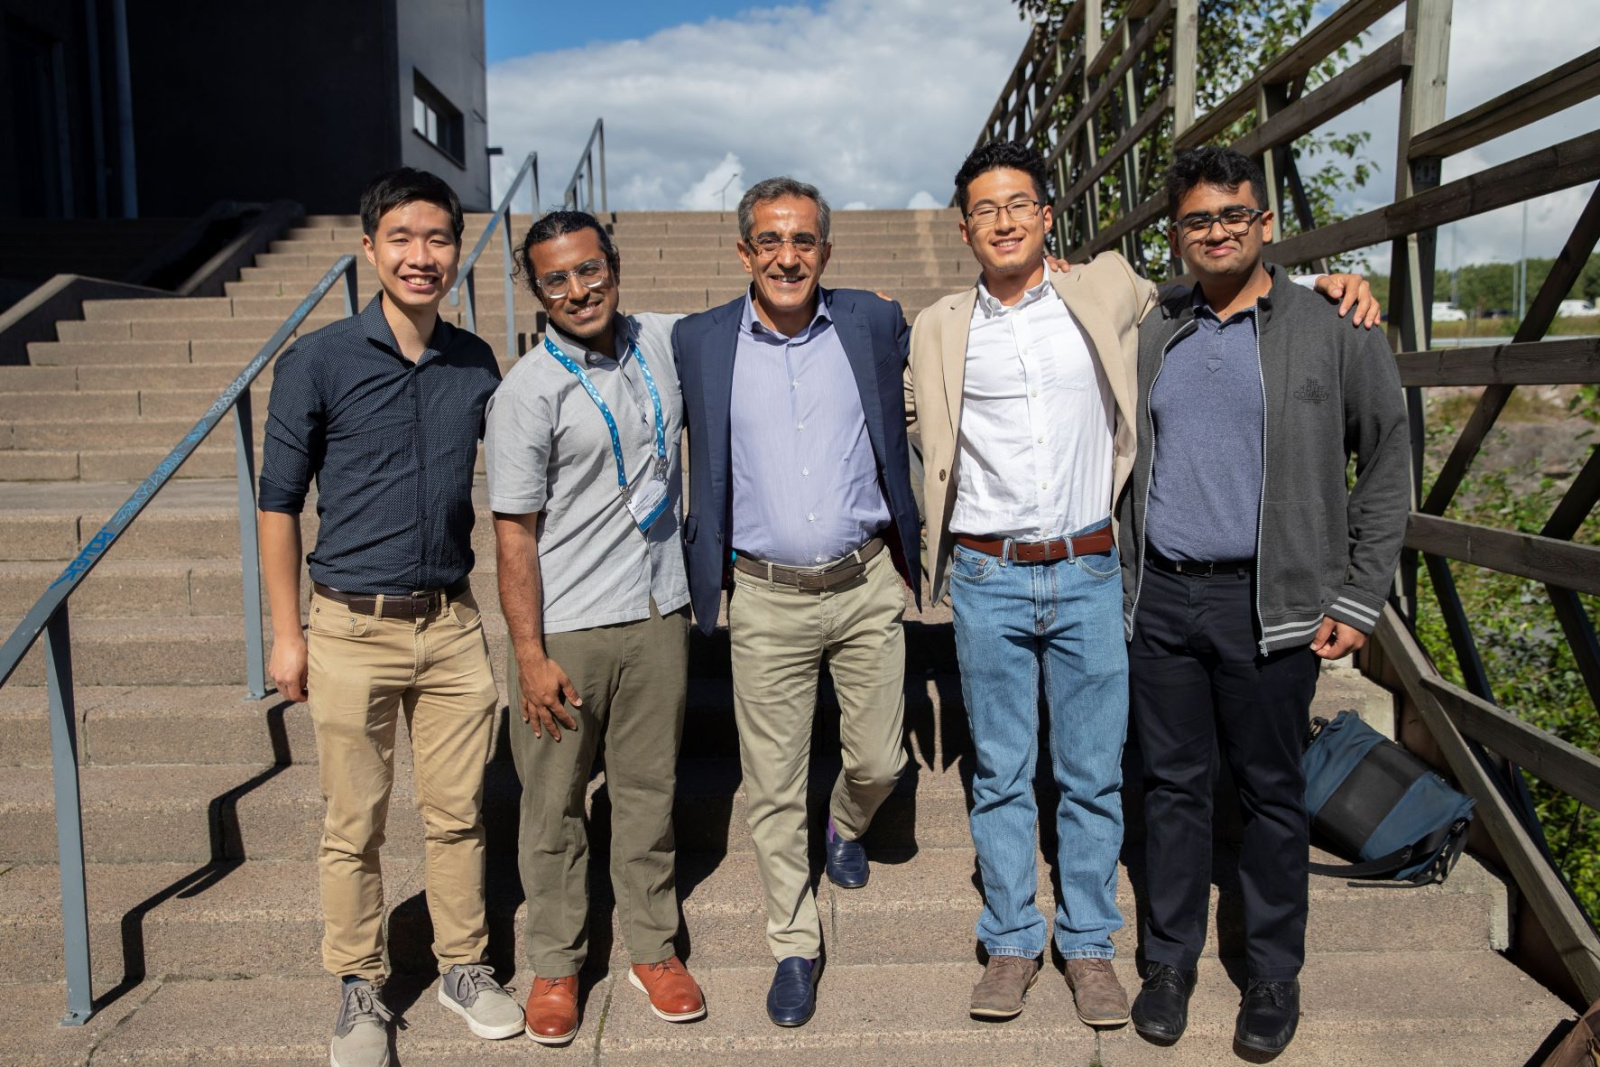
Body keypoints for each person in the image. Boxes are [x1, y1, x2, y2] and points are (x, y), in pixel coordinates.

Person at [905, 140, 1380, 1028]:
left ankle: (1089, 945)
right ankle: (1012, 938)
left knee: (1095, 776)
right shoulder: (937, 325)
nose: (1003, 222)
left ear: (1049, 216)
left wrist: (1328, 283)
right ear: (963, 227)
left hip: (1093, 568)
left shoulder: (1109, 290)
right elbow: (909, 417)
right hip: (992, 573)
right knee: (1007, 771)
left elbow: (1240, 282)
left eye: (1020, 205)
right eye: (984, 210)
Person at [1120, 146, 1408, 1055]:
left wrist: (1360, 595)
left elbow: (1389, 458)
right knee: (1170, 789)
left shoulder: (1334, 326)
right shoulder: (1155, 326)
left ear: (1266, 221)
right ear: (1176, 234)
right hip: (1163, 598)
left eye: (1233, 216)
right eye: (1198, 220)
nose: (1217, 233)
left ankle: (1273, 974)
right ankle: (1169, 960)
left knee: (1271, 793)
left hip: (1270, 601)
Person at [258, 167, 523, 1067]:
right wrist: (286, 631)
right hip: (348, 626)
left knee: (457, 813)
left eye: (438, 239)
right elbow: (278, 504)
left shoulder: (476, 362)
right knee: (354, 820)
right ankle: (360, 987)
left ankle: (463, 967)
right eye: (401, 238)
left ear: (458, 250)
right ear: (368, 249)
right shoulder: (318, 360)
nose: (421, 256)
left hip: (451, 623)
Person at [672, 177, 923, 1028]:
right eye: (770, 241)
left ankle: (848, 824)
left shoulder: (871, 322)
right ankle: (792, 941)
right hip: (768, 595)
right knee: (773, 784)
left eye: (804, 241)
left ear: (826, 250)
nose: (788, 256)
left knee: (882, 760)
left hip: (863, 582)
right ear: (745, 252)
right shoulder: (701, 341)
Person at [484, 211, 705, 1045]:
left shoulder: (660, 341)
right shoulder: (526, 392)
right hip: (568, 625)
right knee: (552, 806)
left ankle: (653, 946)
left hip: (657, 612)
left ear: (615, 266)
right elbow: (513, 533)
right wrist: (529, 654)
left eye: (590, 270)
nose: (578, 290)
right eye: (556, 280)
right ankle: (556, 962)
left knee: (648, 797)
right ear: (535, 291)